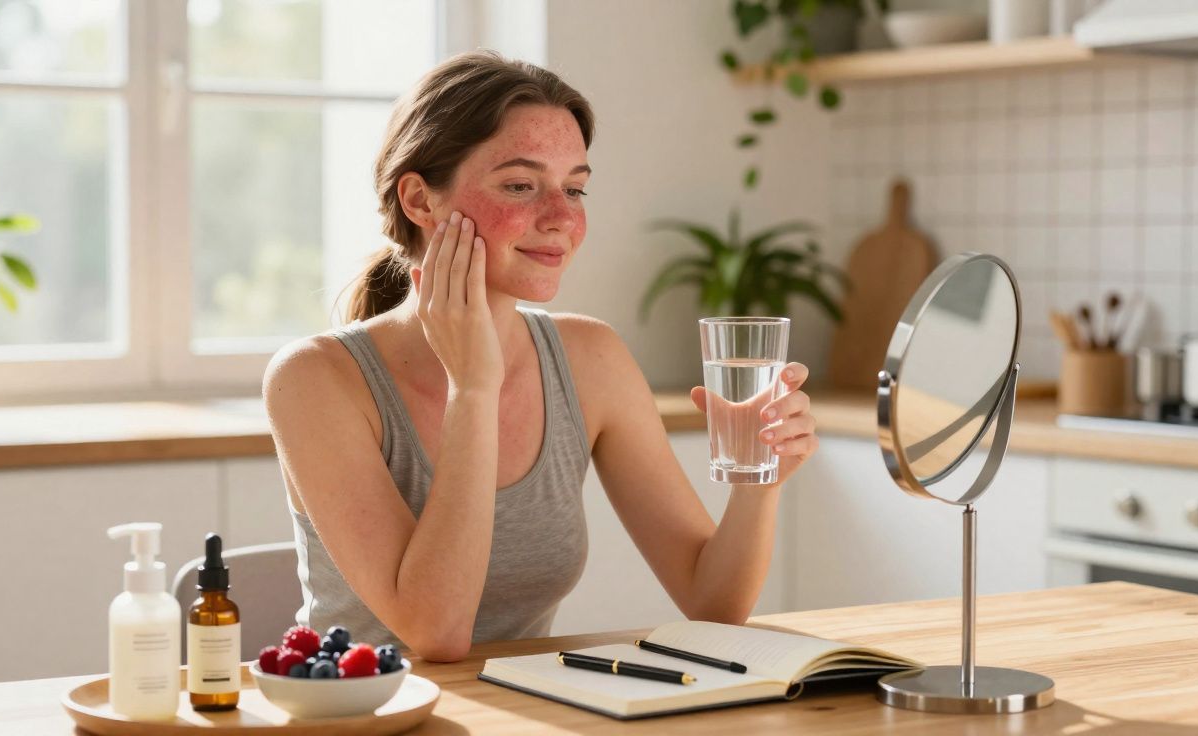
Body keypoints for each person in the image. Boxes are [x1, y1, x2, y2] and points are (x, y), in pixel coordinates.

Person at [262, 50, 818, 663]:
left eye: (575, 188)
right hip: (369, 719)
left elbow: (714, 604)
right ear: (420, 201)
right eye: (521, 186)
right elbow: (438, 634)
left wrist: (760, 479)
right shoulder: (314, 379)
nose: (561, 218)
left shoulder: (590, 358)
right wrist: (473, 388)